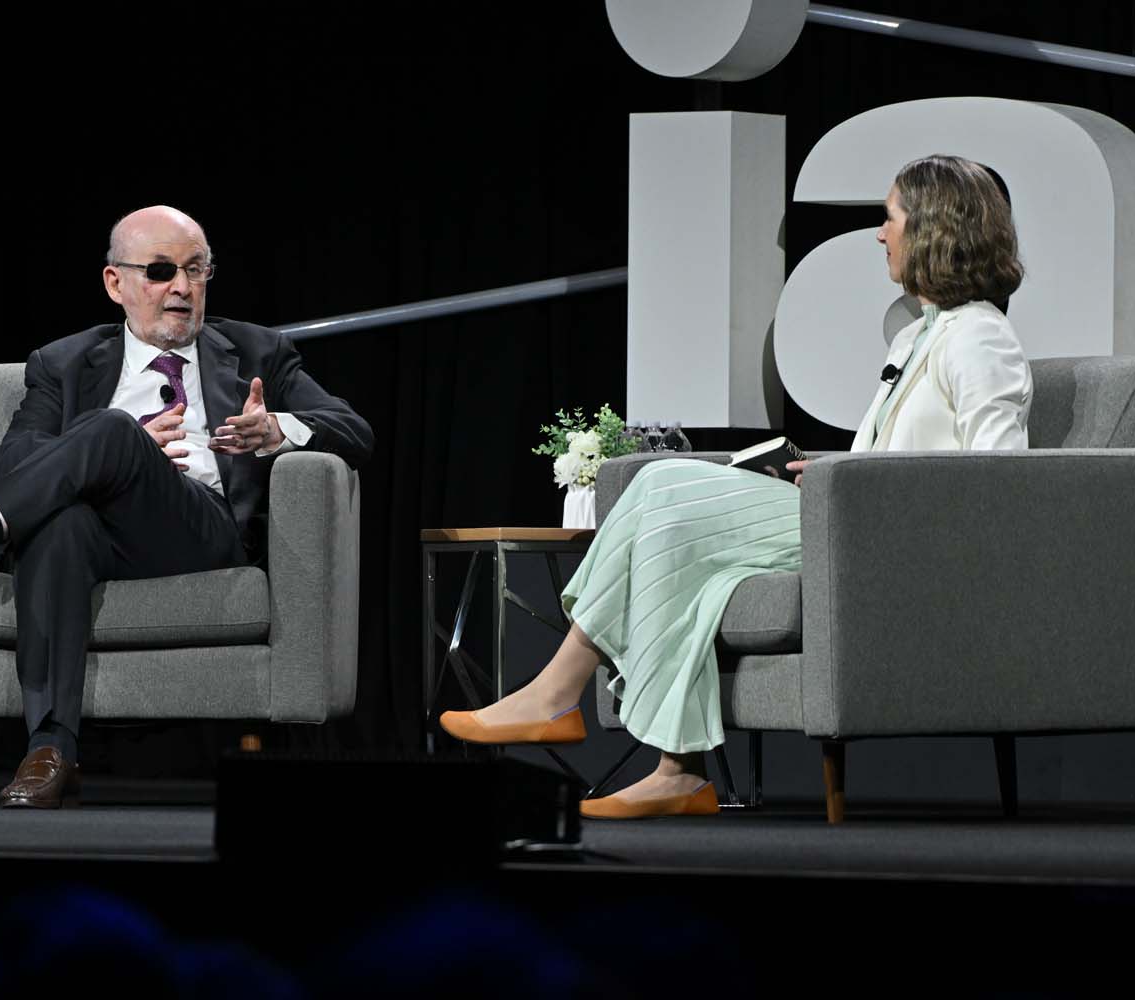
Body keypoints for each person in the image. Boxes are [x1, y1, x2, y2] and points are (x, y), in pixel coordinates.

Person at [441, 155, 1032, 818]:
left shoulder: (982, 338)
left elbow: (998, 482)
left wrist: (856, 484)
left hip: (891, 543)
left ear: (931, 229)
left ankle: (556, 695)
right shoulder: (919, 336)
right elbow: (903, 453)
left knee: (665, 484)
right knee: (676, 534)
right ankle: (677, 772)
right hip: (848, 519)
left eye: (889, 217)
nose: (879, 234)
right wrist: (830, 471)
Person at [0, 206, 373, 808]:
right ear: (115, 282)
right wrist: (116, 447)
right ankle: (50, 748)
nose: (181, 287)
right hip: (95, 534)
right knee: (66, 514)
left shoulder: (256, 351)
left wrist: (276, 428)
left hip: (199, 534)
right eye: (162, 270)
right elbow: (17, 460)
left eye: (197, 270)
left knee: (114, 432)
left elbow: (354, 431)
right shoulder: (63, 363)